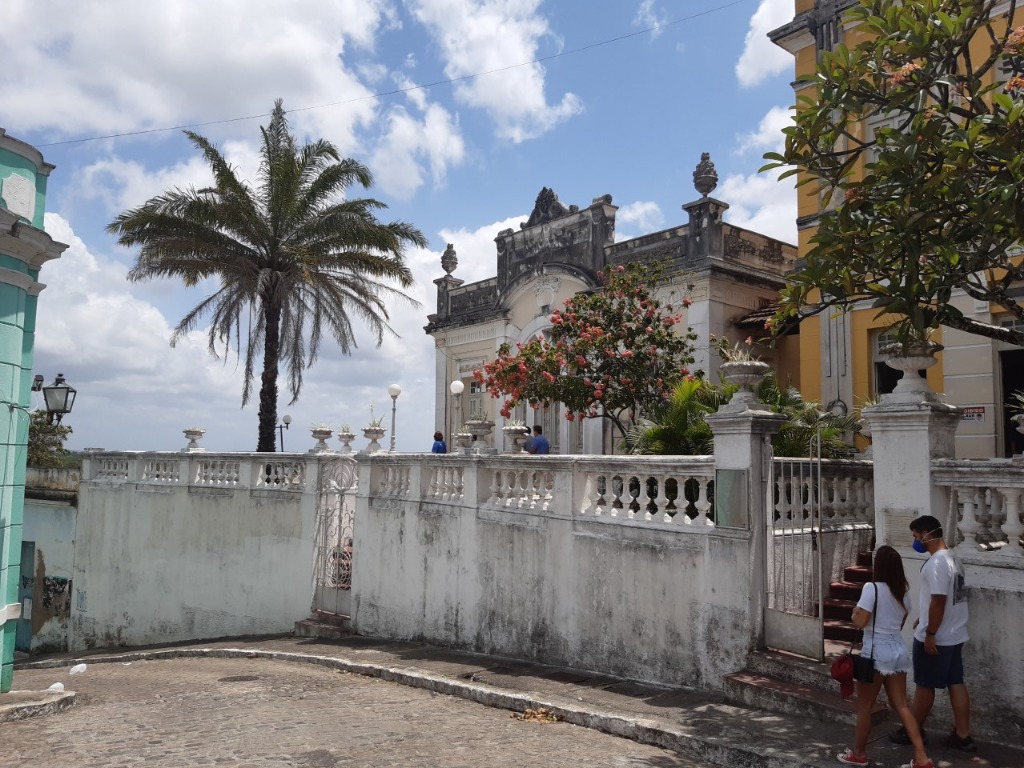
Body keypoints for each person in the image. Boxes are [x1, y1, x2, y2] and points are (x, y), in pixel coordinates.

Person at [838, 545, 932, 768]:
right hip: (897, 650)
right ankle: (922, 758)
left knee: (865, 706)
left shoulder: (871, 588)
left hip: (875, 652)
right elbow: (899, 624)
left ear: (878, 566)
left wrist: (854, 614)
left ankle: (859, 753)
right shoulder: (903, 594)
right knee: (902, 706)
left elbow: (861, 622)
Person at [889, 515, 974, 752]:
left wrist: (930, 632)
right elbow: (948, 599)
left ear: (926, 534)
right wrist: (925, 618)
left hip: (939, 637)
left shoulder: (936, 563)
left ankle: (912, 730)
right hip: (955, 633)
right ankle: (963, 735)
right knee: (956, 682)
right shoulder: (953, 558)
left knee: (925, 685)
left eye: (916, 536)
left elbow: (939, 601)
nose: (916, 541)